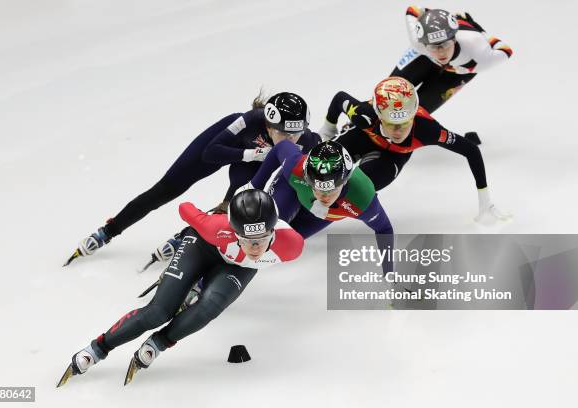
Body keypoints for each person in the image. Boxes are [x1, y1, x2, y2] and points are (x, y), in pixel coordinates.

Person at [57, 190, 304, 387]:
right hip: (203, 246)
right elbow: (185, 208)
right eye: (246, 239)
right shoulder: (217, 227)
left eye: (261, 240)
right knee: (158, 312)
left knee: (210, 305)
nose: (254, 248)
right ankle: (98, 347)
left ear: (273, 230)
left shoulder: (292, 245)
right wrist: (210, 216)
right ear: (233, 230)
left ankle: (160, 342)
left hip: (237, 267)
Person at [64, 92, 320, 265]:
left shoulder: (307, 141)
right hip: (228, 146)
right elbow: (211, 152)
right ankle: (108, 230)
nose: (291, 140)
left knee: (241, 199)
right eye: (284, 134)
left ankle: (188, 233)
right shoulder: (250, 120)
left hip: (250, 165)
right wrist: (253, 153)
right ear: (269, 125)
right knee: (165, 189)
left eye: (297, 134)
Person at [319, 76, 509, 224]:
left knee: (359, 191)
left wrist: (485, 198)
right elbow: (339, 98)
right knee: (320, 168)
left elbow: (471, 150)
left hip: (393, 156)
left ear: (413, 117)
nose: (398, 130)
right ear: (379, 116)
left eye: (404, 123)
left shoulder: (428, 130)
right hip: (361, 137)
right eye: (391, 123)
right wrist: (327, 130)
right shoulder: (365, 115)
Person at [320, 7, 512, 145]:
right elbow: (412, 10)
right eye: (434, 46)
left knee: (419, 110)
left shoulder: (478, 49)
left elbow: (506, 50)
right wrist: (429, 15)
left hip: (459, 70)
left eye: (445, 44)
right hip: (423, 57)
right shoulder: (418, 41)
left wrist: (480, 33)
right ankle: (354, 127)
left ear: (454, 38)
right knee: (391, 92)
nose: (441, 52)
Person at [244, 140, 394, 274]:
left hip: (325, 212)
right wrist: (253, 186)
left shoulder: (362, 198)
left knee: (279, 243)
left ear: (345, 181)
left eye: (332, 190)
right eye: (317, 188)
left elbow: (384, 229)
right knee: (263, 228)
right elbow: (282, 146)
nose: (324, 196)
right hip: (292, 189)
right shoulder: (295, 167)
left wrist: (388, 273)